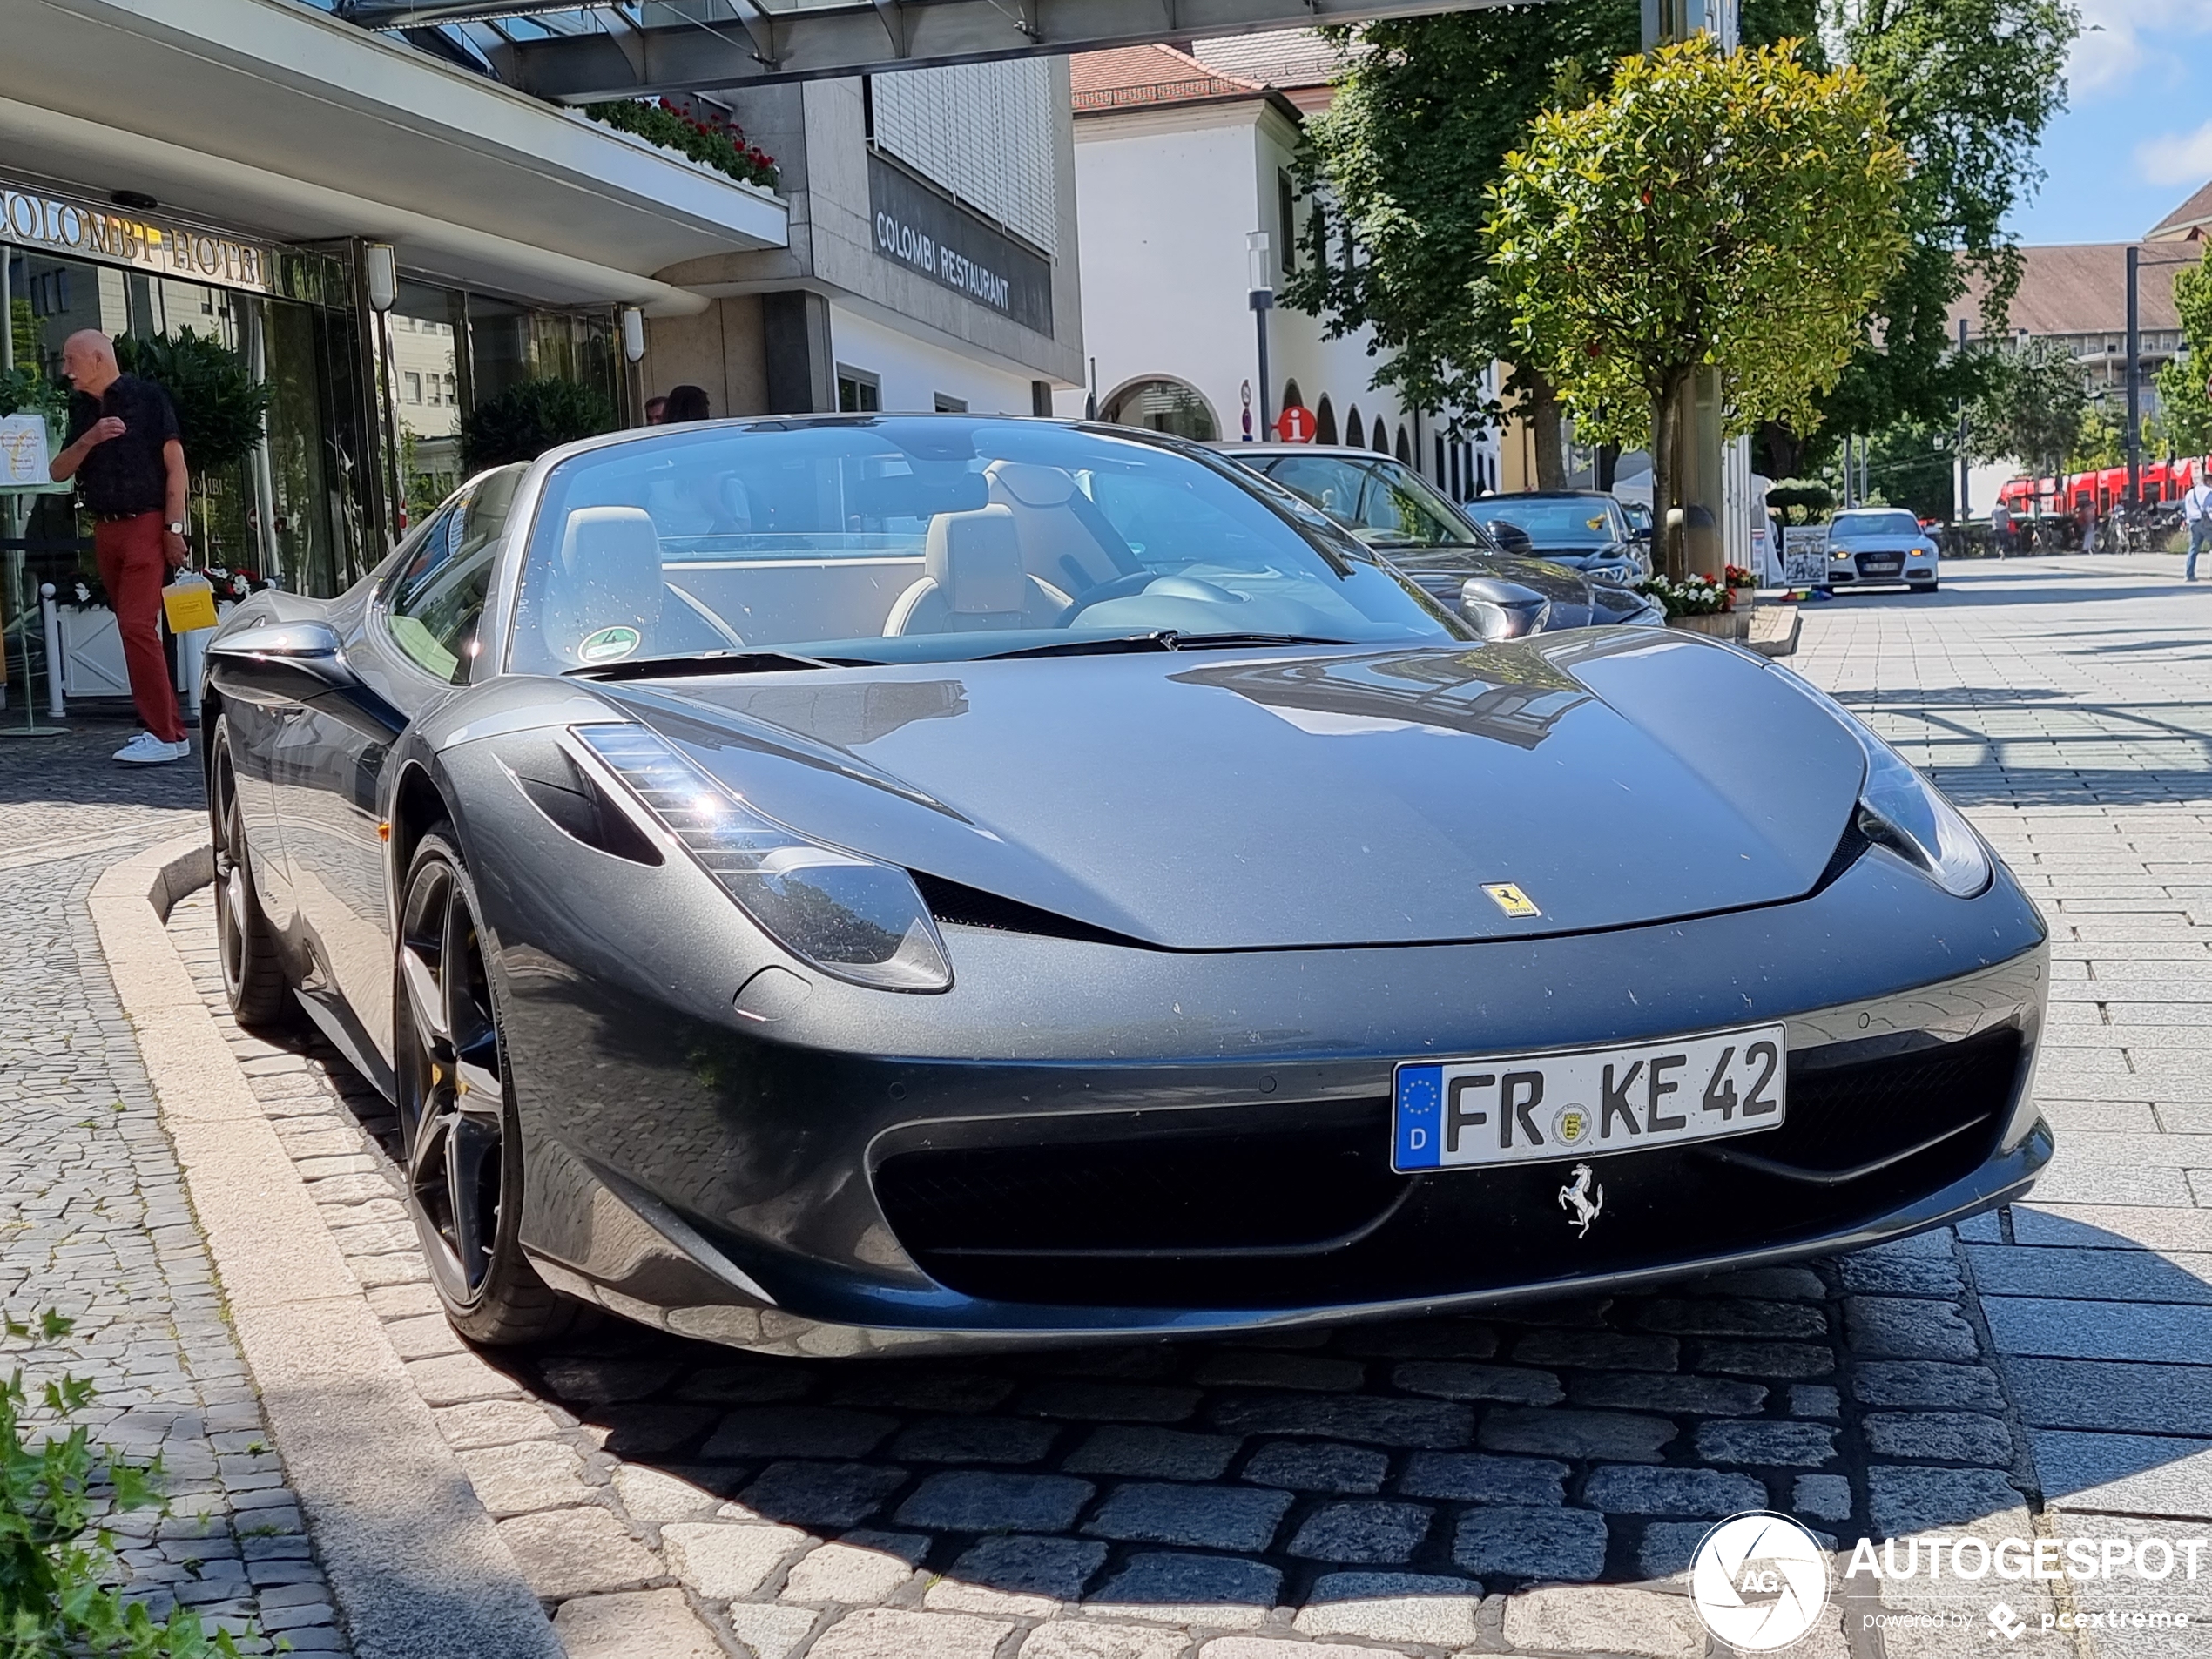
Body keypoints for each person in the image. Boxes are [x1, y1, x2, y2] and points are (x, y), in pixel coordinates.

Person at [47, 330, 192, 765]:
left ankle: (165, 735)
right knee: (135, 629)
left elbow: (176, 466)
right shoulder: (82, 410)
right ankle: (169, 731)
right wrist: (91, 437)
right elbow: (57, 471)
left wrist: (174, 526)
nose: (66, 370)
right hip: (105, 530)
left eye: (71, 360)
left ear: (96, 358)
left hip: (145, 524)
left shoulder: (148, 399)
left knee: (136, 626)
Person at [2185, 465, 2212, 581]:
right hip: (2205, 523)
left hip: (2193, 522)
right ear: (2207, 480)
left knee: (2193, 548)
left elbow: (2186, 509)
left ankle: (2189, 574)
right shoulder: (2209, 492)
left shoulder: (2190, 493)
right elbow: (2210, 509)